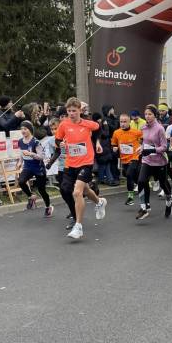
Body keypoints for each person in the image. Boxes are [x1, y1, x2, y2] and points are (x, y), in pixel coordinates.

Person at [53, 97, 107, 240]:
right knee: (83, 190)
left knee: (77, 192)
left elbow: (99, 129)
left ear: (79, 110)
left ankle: (78, 227)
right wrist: (60, 144)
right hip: (71, 163)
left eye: (74, 111)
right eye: (69, 111)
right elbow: (58, 139)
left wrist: (97, 142)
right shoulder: (64, 125)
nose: (71, 113)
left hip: (86, 162)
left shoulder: (88, 124)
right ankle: (99, 202)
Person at [135, 105, 172, 220]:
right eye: (146, 114)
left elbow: (164, 147)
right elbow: (145, 142)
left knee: (163, 184)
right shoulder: (143, 127)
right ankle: (145, 207)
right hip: (147, 160)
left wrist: (152, 150)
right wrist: (141, 148)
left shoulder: (160, 129)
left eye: (150, 114)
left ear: (155, 115)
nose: (147, 116)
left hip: (159, 162)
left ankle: (169, 199)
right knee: (141, 181)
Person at [17, 121, 53, 216]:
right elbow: (21, 152)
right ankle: (31, 196)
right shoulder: (20, 141)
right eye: (21, 129)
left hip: (38, 168)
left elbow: (41, 157)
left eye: (25, 129)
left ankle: (48, 206)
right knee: (21, 181)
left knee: (41, 190)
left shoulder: (36, 142)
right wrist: (20, 162)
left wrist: (31, 154)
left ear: (30, 130)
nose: (23, 131)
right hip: (28, 167)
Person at [111, 113, 143, 205]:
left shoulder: (136, 132)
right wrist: (114, 148)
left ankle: (130, 197)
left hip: (135, 157)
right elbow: (114, 144)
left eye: (125, 122)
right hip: (124, 159)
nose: (123, 124)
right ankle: (142, 184)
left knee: (129, 174)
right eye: (121, 122)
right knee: (132, 176)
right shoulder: (116, 133)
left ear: (129, 122)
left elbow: (144, 140)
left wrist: (141, 146)